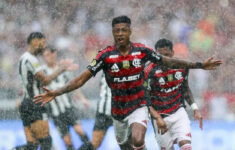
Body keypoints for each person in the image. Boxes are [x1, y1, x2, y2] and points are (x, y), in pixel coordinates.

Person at [33, 16, 221, 150]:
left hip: (138, 105)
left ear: (130, 31)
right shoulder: (105, 55)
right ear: (113, 33)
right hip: (117, 111)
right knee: (126, 145)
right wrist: (56, 92)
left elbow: (168, 61)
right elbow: (82, 78)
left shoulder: (141, 51)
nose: (120, 33)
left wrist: (199, 65)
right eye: (116, 30)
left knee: (138, 139)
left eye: (124, 30)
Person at [144, 38, 203, 150]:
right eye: (160, 55)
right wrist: (157, 117)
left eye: (167, 55)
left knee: (186, 145)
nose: (164, 59)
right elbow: (144, 99)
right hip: (159, 116)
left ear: (172, 53)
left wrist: (195, 109)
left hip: (178, 112)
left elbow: (185, 89)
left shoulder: (181, 66)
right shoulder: (148, 71)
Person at [15, 32, 69, 150]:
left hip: (27, 103)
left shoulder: (24, 58)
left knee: (32, 145)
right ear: (35, 41)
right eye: (43, 42)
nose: (44, 46)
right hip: (34, 104)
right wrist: (61, 69)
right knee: (46, 141)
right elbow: (45, 80)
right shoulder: (30, 59)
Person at [42, 47, 90, 150]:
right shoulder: (42, 72)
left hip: (69, 108)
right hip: (56, 114)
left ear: (54, 54)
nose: (47, 58)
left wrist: (82, 99)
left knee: (80, 131)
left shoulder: (63, 68)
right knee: (67, 142)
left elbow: (74, 85)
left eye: (48, 54)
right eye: (45, 56)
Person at [79, 73, 113, 150]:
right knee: (95, 143)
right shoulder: (108, 66)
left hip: (121, 111)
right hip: (105, 111)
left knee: (129, 141)